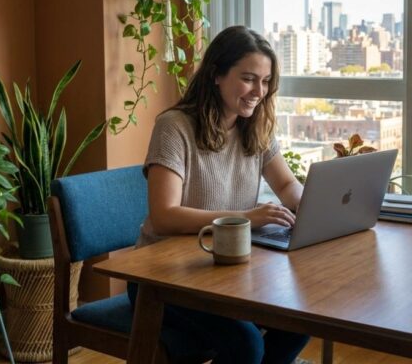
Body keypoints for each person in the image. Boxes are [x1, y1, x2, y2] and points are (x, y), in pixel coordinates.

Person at [128, 25, 310, 364]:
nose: (259, 91)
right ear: (216, 75)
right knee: (246, 345)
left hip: (227, 270)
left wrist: (313, 210)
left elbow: (286, 185)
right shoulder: (174, 127)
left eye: (266, 81)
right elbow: (164, 215)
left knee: (300, 321)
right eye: (248, 78)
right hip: (162, 279)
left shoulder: (254, 125)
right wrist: (246, 218)